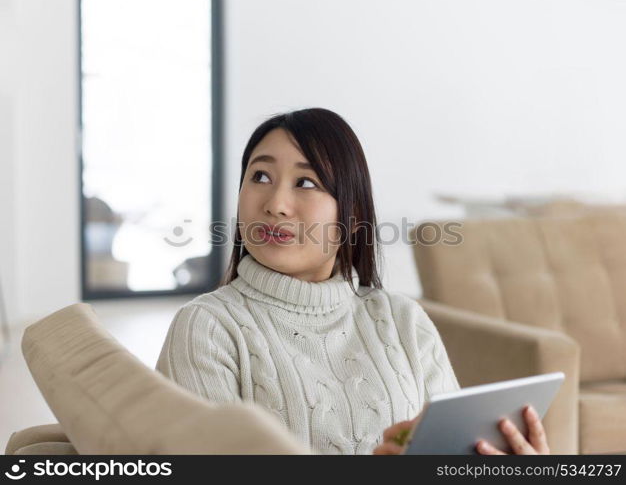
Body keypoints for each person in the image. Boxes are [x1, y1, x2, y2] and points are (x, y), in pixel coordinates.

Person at [155, 108, 550, 456]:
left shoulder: (403, 321)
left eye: (306, 182)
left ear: (352, 211)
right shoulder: (206, 328)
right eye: (260, 175)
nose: (275, 203)